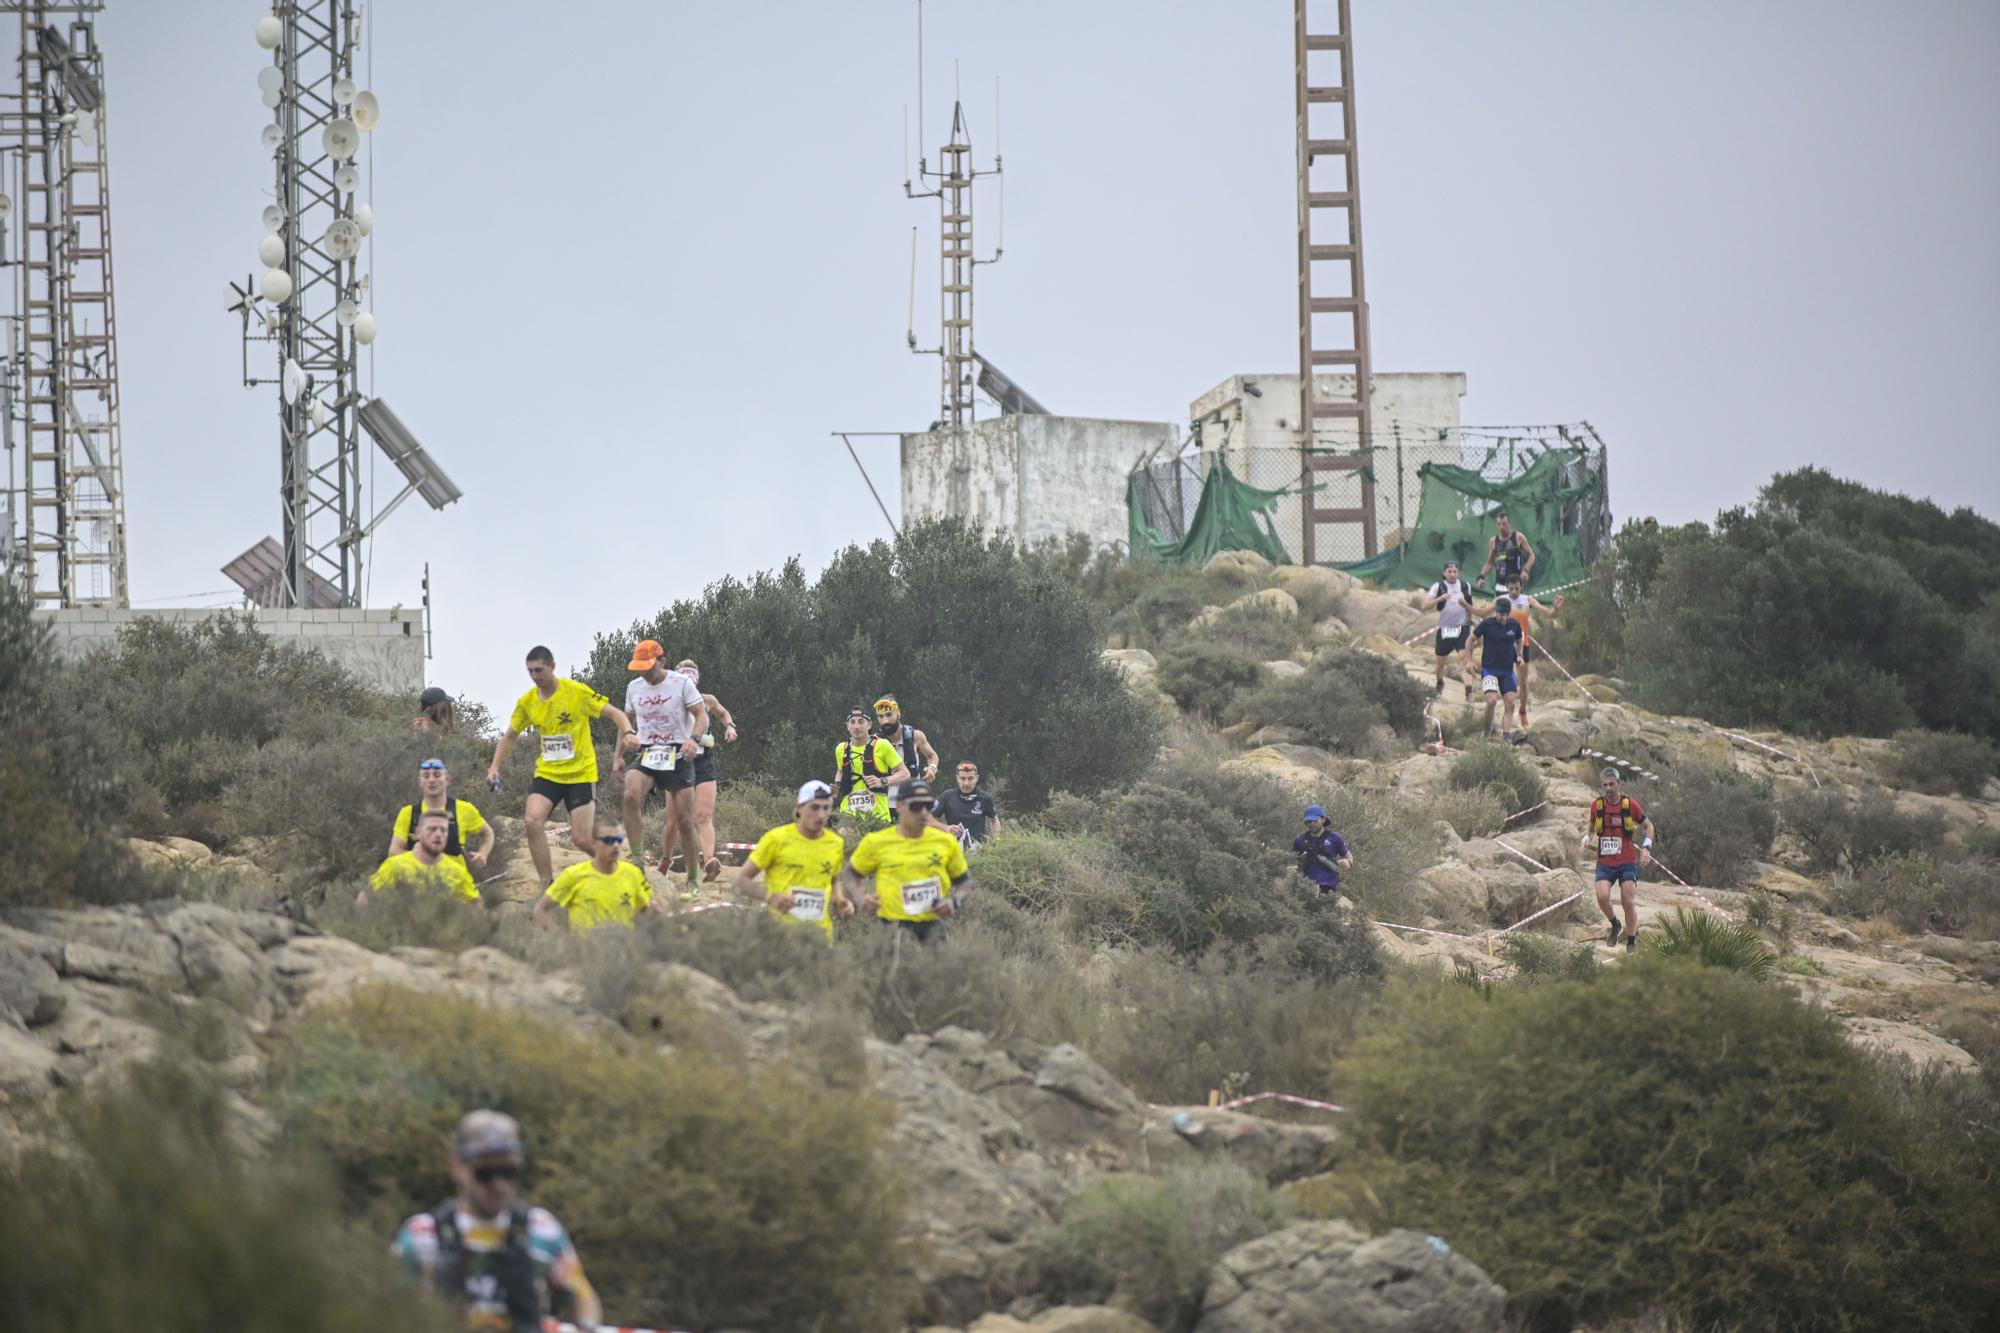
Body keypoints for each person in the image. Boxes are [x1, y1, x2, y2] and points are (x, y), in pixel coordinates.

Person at [391, 1110, 601, 1332]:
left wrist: (587, 1326)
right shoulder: (421, 1236)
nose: (499, 1185)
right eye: (485, 1173)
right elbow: (387, 1307)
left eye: (509, 1172)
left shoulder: (543, 1230)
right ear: (458, 1168)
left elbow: (582, 1297)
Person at [488, 646, 637, 887]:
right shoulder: (527, 701)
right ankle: (547, 884)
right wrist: (494, 766)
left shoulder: (575, 692)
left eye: (539, 670)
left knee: (581, 839)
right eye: (530, 671)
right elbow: (510, 736)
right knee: (532, 821)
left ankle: (622, 872)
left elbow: (614, 713)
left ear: (552, 666)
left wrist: (628, 731)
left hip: (580, 774)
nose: (535, 676)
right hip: (548, 773)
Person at [617, 640, 706, 875]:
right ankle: (637, 858)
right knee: (630, 794)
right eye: (640, 668)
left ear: (662, 661)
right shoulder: (634, 688)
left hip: (677, 753)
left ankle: (694, 877)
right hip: (649, 751)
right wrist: (620, 753)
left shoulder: (682, 683)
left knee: (685, 822)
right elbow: (626, 721)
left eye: (649, 667)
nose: (645, 673)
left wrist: (693, 739)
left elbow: (701, 715)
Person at [845, 781, 971, 943]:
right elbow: (850, 874)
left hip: (934, 928)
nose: (924, 812)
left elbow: (964, 881)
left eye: (928, 805)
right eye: (916, 806)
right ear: (898, 806)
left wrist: (954, 901)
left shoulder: (946, 842)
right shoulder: (876, 842)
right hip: (891, 927)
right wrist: (861, 899)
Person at [737, 780, 854, 940]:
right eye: (814, 807)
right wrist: (771, 897)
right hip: (780, 935)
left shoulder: (835, 843)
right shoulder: (776, 839)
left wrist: (841, 901)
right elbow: (742, 879)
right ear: (798, 807)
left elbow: (832, 880)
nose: (820, 814)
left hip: (820, 937)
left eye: (826, 808)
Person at [656, 659, 737, 886]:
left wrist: (730, 726)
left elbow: (723, 713)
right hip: (677, 764)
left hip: (703, 764)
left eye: (693, 681)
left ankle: (710, 861)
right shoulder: (670, 701)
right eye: (685, 681)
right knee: (673, 821)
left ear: (697, 680)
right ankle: (665, 860)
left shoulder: (707, 700)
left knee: (703, 815)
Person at [533, 816, 657, 933]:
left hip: (624, 950)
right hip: (586, 951)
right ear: (592, 842)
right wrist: (563, 939)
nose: (615, 845)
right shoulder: (573, 875)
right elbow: (540, 910)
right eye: (608, 840)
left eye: (619, 840)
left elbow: (648, 910)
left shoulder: (632, 873)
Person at [1580, 768, 1653, 951]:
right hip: (1605, 862)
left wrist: (1646, 847)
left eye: (1612, 784)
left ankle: (1630, 941)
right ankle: (1615, 924)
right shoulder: (1597, 806)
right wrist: (1586, 839)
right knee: (1602, 896)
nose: (1608, 788)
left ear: (1619, 784)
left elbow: (1649, 825)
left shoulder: (1630, 805)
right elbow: (1589, 827)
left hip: (1626, 861)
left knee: (1628, 900)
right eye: (1605, 785)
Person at [388, 758, 494, 881]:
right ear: (420, 781)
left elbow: (488, 833)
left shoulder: (464, 809)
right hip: (419, 885)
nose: (431, 780)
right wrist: (419, 857)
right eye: (426, 776)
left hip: (457, 884)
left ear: (447, 780)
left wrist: (483, 854)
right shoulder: (408, 813)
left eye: (437, 775)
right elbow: (394, 851)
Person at [361, 808, 480, 907]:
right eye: (432, 829)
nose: (438, 834)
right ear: (418, 832)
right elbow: (366, 897)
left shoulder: (457, 871)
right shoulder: (396, 865)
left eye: (443, 830)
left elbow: (476, 907)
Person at [1496, 573, 1563, 727]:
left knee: (1523, 683)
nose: (1514, 591)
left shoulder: (1527, 600)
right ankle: (1507, 712)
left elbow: (1547, 613)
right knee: (1504, 679)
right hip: (1504, 644)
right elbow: (1488, 615)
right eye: (1511, 588)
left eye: (1517, 588)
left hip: (1522, 645)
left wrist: (1555, 607)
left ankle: (1522, 712)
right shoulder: (1501, 600)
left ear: (1521, 587)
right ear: (1506, 588)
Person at [832, 706, 909, 822]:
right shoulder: (841, 749)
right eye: (852, 722)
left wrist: (882, 781)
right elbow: (841, 771)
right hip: (848, 813)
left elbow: (905, 773)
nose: (856, 726)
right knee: (845, 834)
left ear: (869, 725)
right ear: (847, 726)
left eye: (861, 722)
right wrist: (837, 785)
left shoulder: (882, 745)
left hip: (878, 815)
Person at [1421, 561, 1478, 699]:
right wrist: (1440, 598)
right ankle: (1440, 683)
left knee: (1465, 660)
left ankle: (1468, 692)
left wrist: (1470, 620)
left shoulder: (1465, 586)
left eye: (1454, 571)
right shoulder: (1438, 586)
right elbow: (1425, 606)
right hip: (1445, 630)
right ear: (1444, 573)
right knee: (1440, 665)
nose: (1452, 574)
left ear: (1458, 573)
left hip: (1462, 628)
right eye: (1449, 571)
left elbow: (1470, 605)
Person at [1471, 596, 1525, 742]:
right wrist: (1468, 660)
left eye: (1507, 614)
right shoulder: (1487, 624)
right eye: (1501, 614)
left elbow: (1520, 641)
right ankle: (1486, 729)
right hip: (1490, 669)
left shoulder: (1514, 625)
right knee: (1491, 701)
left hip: (1507, 671)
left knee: (1511, 703)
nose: (1504, 618)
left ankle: (1506, 737)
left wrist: (1519, 655)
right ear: (1496, 612)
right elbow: (1470, 639)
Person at [873, 694, 939, 795]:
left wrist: (932, 769)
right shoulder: (874, 741)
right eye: (880, 716)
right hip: (884, 803)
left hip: (911, 800)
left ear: (898, 714)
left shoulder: (915, 736)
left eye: (889, 715)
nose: (885, 720)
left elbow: (932, 755)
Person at [934, 761, 1001, 850]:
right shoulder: (947, 796)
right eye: (962, 778)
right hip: (953, 853)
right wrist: (945, 828)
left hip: (979, 854)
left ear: (977, 778)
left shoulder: (985, 798)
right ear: (957, 778)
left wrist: (996, 842)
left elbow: (994, 820)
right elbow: (928, 819)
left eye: (970, 778)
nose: (966, 783)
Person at [1293, 804, 1354, 894]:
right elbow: (1292, 860)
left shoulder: (1335, 838)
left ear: (1323, 819)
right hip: (1305, 886)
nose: (1312, 824)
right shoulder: (1300, 840)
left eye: (1315, 820)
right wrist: (1291, 868)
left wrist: (1348, 862)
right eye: (1309, 821)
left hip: (1328, 887)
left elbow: (1348, 856)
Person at [1477, 509, 1536, 590]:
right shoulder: (1493, 541)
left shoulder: (1518, 537)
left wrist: (1526, 570)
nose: (1501, 527)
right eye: (1499, 524)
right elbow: (1490, 562)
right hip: (1500, 583)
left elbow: (1531, 555)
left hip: (1516, 584)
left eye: (1504, 524)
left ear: (1509, 524)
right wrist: (1481, 577)